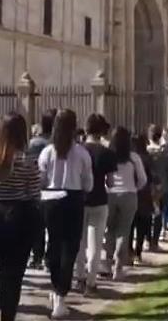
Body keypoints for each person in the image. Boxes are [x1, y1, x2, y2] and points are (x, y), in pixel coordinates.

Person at [0, 113, 43, 321]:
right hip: (23, 214)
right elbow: (34, 192)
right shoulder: (27, 158)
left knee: (4, 265)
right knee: (17, 270)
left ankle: (4, 304)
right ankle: (9, 312)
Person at [38, 109, 93, 319]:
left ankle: (55, 287)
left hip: (51, 199)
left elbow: (41, 179)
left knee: (53, 243)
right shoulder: (81, 153)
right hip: (73, 199)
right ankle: (61, 292)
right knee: (70, 247)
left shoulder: (47, 152)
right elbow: (88, 183)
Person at [73, 113, 117, 295]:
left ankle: (79, 277)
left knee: (80, 242)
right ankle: (92, 281)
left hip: (80, 200)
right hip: (99, 200)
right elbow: (111, 182)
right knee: (95, 243)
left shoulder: (78, 150)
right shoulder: (107, 153)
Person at [103, 126, 147, 280]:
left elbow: (104, 178)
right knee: (124, 231)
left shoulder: (108, 155)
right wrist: (135, 187)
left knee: (110, 230)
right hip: (129, 194)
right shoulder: (133, 157)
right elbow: (143, 179)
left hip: (110, 195)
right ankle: (118, 266)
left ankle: (107, 262)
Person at [27, 108, 57, 270]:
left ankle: (36, 256)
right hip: (53, 188)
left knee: (38, 226)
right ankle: (49, 257)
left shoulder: (34, 143)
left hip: (36, 187)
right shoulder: (57, 144)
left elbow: (30, 164)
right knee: (53, 227)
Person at [130, 134, 155, 264]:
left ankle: (129, 251)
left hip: (131, 192)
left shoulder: (128, 158)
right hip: (144, 194)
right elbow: (150, 177)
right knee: (142, 225)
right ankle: (138, 253)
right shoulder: (146, 158)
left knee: (130, 225)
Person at [147, 125, 168, 248]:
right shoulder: (164, 153)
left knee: (146, 214)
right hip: (161, 188)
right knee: (158, 215)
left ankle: (147, 239)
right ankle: (155, 242)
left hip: (147, 187)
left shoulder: (146, 151)